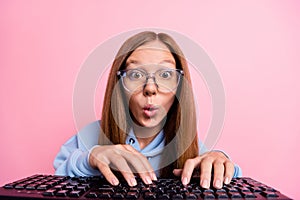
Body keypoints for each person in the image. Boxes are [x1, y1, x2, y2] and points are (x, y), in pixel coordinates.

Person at [54, 31, 242, 189]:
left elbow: (227, 177)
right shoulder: (89, 136)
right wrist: (89, 159)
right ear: (119, 84)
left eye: (165, 74)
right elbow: (54, 182)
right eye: (135, 74)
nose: (150, 88)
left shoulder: (191, 149)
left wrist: (222, 161)